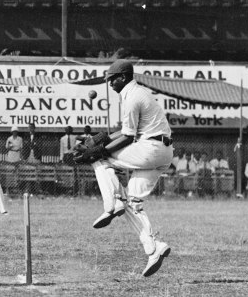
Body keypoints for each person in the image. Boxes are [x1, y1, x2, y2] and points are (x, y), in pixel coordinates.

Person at [74, 59, 173, 277]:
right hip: (162, 151)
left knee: (100, 159)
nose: (109, 84)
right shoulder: (137, 93)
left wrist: (98, 150)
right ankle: (153, 248)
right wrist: (102, 140)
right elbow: (127, 131)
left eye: (111, 80)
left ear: (123, 77)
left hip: (151, 149)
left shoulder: (132, 97)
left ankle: (113, 202)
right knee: (134, 204)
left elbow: (128, 137)